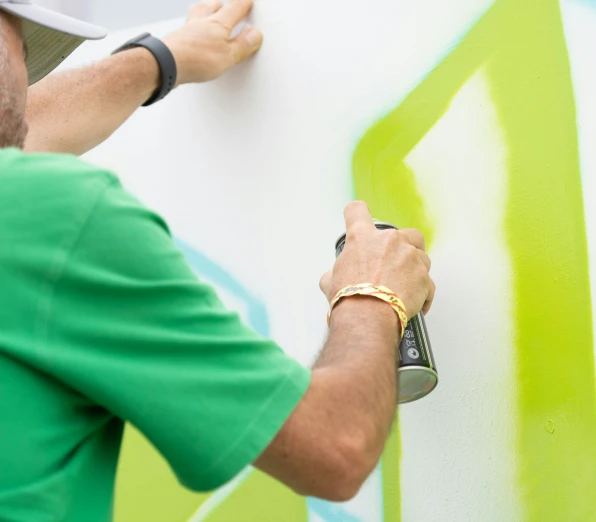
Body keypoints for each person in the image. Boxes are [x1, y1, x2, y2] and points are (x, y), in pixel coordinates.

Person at [0, 0, 436, 520]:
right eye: (17, 34)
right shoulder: (52, 214)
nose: (26, 58)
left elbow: (23, 132)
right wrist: (373, 292)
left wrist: (158, 59)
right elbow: (335, 447)